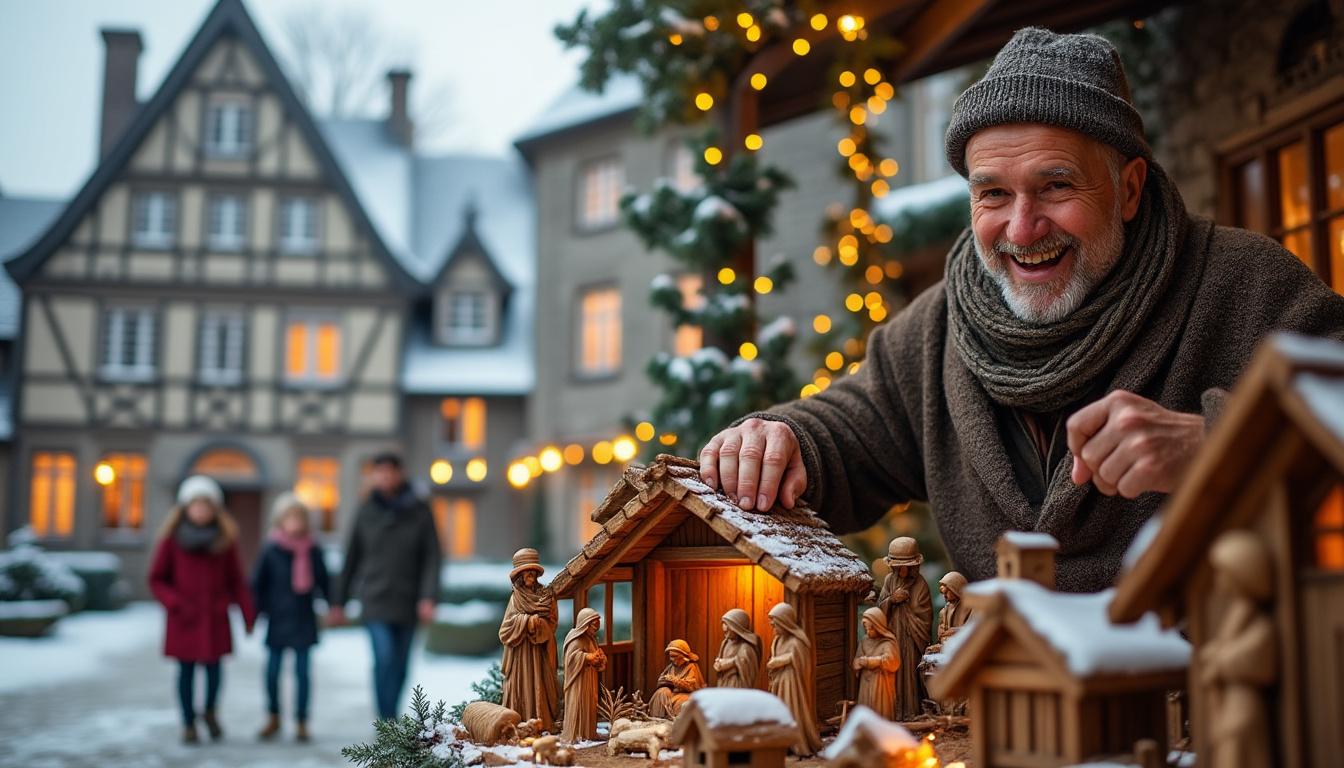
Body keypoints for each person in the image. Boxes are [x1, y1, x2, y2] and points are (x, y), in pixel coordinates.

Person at [699, 26, 1344, 593]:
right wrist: (781, 439)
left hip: (1230, 707)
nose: (1024, 228)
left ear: (1128, 189)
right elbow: (854, 429)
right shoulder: (934, 329)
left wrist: (1217, 444)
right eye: (994, 194)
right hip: (1017, 703)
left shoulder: (1241, 281)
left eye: (1056, 186)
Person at [329, 452, 441, 721]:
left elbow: (432, 557)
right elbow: (351, 557)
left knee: (401, 665)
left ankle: (389, 714)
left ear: (399, 473)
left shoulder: (420, 511)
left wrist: (428, 597)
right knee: (384, 657)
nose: (385, 476)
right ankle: (386, 718)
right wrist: (338, 602)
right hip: (375, 599)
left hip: (408, 599)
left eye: (390, 471)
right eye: (379, 472)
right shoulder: (366, 511)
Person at [148, 475, 256, 744]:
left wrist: (247, 613)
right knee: (185, 672)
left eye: (206, 505)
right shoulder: (171, 541)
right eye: (196, 505)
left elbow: (237, 581)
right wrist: (173, 602)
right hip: (184, 617)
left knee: (214, 671)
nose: (201, 510)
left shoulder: (225, 542)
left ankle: (209, 711)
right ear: (185, 508)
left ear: (215, 509)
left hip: (214, 617)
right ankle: (188, 723)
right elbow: (157, 578)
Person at [251, 492, 330, 742]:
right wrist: (253, 614)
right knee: (272, 672)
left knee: (303, 673)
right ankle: (273, 716)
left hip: (304, 619)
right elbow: (257, 585)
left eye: (299, 517)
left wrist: (333, 606)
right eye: (289, 517)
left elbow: (324, 581)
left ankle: (302, 720)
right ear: (280, 520)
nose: (294, 522)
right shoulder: (271, 549)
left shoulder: (314, 549)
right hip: (277, 619)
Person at [498, 548, 559, 727]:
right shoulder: (516, 598)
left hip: (540, 652)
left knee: (542, 685)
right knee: (521, 687)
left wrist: (541, 625)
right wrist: (528, 621)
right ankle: (520, 721)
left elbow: (553, 622)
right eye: (527, 572)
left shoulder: (546, 596)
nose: (530, 575)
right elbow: (505, 630)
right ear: (520, 575)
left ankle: (543, 721)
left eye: (533, 572)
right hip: (520, 653)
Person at [875, 537, 932, 720]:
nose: (903, 571)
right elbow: (879, 608)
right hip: (892, 636)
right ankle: (893, 711)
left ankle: (911, 712)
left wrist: (908, 606)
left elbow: (925, 615)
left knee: (910, 674)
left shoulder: (920, 584)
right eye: (899, 567)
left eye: (907, 567)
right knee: (893, 672)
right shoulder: (889, 581)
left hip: (910, 638)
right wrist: (892, 600)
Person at [765, 603, 823, 756]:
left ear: (785, 622)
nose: (772, 626)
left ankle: (797, 743)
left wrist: (781, 661)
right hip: (779, 684)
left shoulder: (798, 642)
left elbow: (802, 661)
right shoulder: (777, 641)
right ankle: (782, 743)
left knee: (792, 712)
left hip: (792, 686)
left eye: (775, 622)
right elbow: (773, 657)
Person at [560, 607, 605, 743]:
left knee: (590, 705)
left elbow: (596, 654)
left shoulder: (591, 639)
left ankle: (589, 732)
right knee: (580, 705)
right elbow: (570, 659)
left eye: (598, 624)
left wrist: (600, 658)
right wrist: (586, 657)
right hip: (578, 682)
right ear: (585, 624)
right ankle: (577, 733)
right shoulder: (576, 639)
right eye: (594, 624)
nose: (596, 628)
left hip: (590, 679)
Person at [853, 607, 900, 721]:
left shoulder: (888, 643)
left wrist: (872, 661)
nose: (868, 632)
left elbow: (893, 662)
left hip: (881, 683)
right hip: (866, 682)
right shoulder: (864, 641)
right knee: (865, 708)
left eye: (871, 629)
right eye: (866, 629)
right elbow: (856, 660)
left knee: (879, 710)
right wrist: (859, 662)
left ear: (879, 626)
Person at [648, 639, 705, 717]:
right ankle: (657, 716)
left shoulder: (691, 667)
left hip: (686, 694)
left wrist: (676, 681)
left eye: (674, 656)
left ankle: (672, 719)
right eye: (671, 656)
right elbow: (661, 680)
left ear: (683, 656)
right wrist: (665, 680)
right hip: (673, 693)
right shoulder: (671, 667)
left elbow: (692, 686)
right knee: (661, 692)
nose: (672, 659)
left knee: (681, 703)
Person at [712, 608, 762, 689]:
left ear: (737, 628)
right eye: (724, 623)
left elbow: (748, 671)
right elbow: (720, 659)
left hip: (736, 685)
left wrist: (730, 663)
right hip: (723, 682)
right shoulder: (725, 643)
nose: (724, 628)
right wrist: (718, 663)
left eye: (728, 624)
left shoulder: (746, 647)